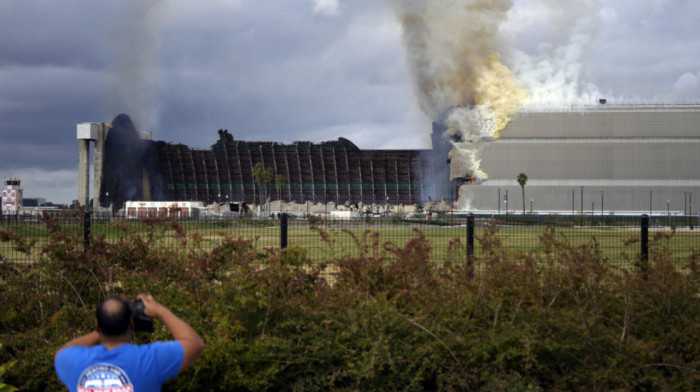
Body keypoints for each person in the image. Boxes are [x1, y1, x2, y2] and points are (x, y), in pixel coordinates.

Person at [55, 294, 205, 392]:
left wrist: (106, 325)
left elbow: (63, 352)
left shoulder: (72, 361)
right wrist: (160, 310)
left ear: (97, 325)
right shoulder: (149, 360)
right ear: (132, 323)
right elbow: (194, 343)